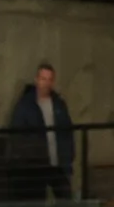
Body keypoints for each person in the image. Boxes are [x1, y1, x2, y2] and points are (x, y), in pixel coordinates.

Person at [7, 64, 74, 200]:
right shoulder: (25, 105)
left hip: (58, 163)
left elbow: (67, 131)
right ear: (36, 79)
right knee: (38, 200)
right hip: (36, 165)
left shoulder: (59, 104)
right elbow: (17, 134)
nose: (46, 83)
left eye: (50, 79)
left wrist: (69, 155)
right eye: (43, 79)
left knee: (66, 199)